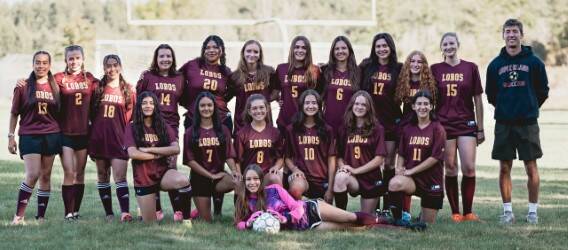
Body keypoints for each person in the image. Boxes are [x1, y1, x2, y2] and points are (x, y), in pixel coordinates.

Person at [16, 45, 98, 220]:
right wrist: (22, 81)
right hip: (64, 133)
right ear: (66, 60)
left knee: (80, 173)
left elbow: (106, 84)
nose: (74, 61)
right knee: (69, 172)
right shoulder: (58, 79)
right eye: (71, 58)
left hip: (84, 133)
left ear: (83, 59)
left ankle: (76, 211)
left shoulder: (90, 79)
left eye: (77, 58)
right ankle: (68, 213)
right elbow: (41, 83)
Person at [486, 19, 549, 225]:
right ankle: (508, 212)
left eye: (515, 31)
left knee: (531, 166)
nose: (511, 35)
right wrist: (506, 108)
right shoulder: (495, 64)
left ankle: (532, 212)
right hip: (504, 122)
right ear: (502, 35)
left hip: (527, 122)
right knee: (504, 167)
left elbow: (542, 91)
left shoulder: (534, 62)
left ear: (521, 35)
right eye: (507, 31)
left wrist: (528, 107)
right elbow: (492, 94)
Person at [431, 32, 485, 222]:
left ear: (458, 45)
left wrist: (480, 127)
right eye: (445, 44)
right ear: (441, 47)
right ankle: (455, 212)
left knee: (469, 167)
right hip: (444, 124)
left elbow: (478, 98)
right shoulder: (435, 69)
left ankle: (468, 212)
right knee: (451, 167)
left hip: (466, 123)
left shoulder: (470, 67)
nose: (448, 47)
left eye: (451, 43)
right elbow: (429, 98)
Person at [234, 164, 380, 231]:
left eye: (255, 179)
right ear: (244, 181)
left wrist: (286, 218)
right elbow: (238, 223)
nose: (252, 183)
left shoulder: (274, 189)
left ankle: (384, 221)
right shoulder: (244, 201)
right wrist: (247, 224)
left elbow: (296, 206)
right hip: (304, 226)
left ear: (261, 179)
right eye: (248, 180)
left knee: (350, 218)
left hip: (310, 209)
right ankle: (370, 224)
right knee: (346, 227)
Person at [179, 35, 232, 215]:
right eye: (208, 47)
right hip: (195, 118)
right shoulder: (192, 65)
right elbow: (177, 83)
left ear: (221, 50)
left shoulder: (226, 72)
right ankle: (201, 198)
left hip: (221, 119)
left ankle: (217, 209)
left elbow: (231, 93)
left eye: (215, 47)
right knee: (198, 155)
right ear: (203, 49)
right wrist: (190, 104)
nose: (211, 50)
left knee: (218, 159)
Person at [9, 51, 61, 225]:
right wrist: (11, 136)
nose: (41, 66)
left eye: (45, 62)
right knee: (32, 174)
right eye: (38, 62)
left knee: (46, 176)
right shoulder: (23, 86)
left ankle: (41, 216)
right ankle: (18, 216)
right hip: (30, 134)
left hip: (51, 134)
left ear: (49, 65)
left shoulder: (56, 87)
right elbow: (14, 113)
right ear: (33, 64)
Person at [124, 91, 192, 224]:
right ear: (139, 107)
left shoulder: (163, 125)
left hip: (162, 173)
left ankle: (186, 220)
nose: (148, 106)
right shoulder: (132, 127)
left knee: (183, 180)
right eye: (144, 103)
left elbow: (175, 149)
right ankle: (144, 210)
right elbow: (133, 153)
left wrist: (151, 150)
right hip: (144, 178)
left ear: (155, 106)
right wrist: (159, 154)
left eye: (151, 103)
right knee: (150, 224)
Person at [136, 44, 185, 221]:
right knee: (150, 166)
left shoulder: (179, 77)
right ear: (156, 59)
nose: (165, 59)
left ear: (173, 59)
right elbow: (139, 101)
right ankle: (155, 209)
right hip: (150, 126)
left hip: (170, 127)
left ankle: (178, 210)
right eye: (162, 56)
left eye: (168, 56)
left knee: (170, 165)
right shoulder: (147, 76)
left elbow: (185, 99)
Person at [89, 54, 136, 222]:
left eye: (115, 65)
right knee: (102, 176)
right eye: (108, 66)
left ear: (120, 67)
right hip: (99, 140)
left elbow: (132, 120)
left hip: (119, 141)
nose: (112, 69)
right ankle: (109, 213)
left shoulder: (129, 90)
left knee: (120, 177)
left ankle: (125, 212)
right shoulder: (97, 88)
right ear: (104, 68)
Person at [388, 90, 446, 224]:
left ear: (431, 106)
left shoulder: (438, 129)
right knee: (395, 183)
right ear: (413, 106)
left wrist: (411, 171)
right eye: (419, 104)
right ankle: (398, 220)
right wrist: (399, 169)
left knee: (425, 224)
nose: (422, 107)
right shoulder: (408, 128)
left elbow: (434, 158)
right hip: (412, 180)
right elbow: (401, 153)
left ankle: (423, 215)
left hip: (431, 181)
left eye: (426, 104)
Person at [359, 33, 403, 211]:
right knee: (373, 163)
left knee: (389, 164)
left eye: (385, 46)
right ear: (373, 48)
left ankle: (389, 205)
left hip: (391, 121)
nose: (381, 49)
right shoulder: (366, 65)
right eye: (378, 46)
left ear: (390, 47)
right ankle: (373, 203)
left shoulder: (398, 68)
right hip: (371, 123)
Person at [183, 91, 239, 222]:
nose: (206, 108)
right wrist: (210, 175)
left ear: (214, 107)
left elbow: (229, 154)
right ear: (197, 108)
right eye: (202, 106)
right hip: (200, 179)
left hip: (219, 177)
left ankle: (240, 217)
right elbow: (189, 160)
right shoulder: (190, 132)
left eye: (209, 105)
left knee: (239, 182)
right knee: (207, 221)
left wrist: (235, 171)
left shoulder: (223, 129)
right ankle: (200, 210)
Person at [394, 51, 438, 216]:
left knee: (425, 166)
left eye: (420, 61)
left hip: (425, 130)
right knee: (405, 167)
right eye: (412, 61)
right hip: (406, 129)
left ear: (424, 65)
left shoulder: (429, 83)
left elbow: (434, 107)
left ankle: (426, 206)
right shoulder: (403, 82)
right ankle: (405, 211)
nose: (416, 64)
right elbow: (395, 104)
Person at [334, 91, 387, 214]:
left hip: (370, 178)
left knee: (365, 220)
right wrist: (343, 168)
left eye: (363, 105)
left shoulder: (377, 128)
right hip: (352, 178)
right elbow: (339, 155)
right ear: (352, 105)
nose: (359, 107)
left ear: (369, 108)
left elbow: (379, 159)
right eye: (356, 104)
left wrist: (356, 170)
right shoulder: (344, 128)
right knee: (340, 178)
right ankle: (341, 216)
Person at [284, 90, 336, 203]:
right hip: (302, 177)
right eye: (307, 103)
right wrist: (294, 169)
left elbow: (331, 159)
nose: (310, 106)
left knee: (322, 218)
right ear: (301, 105)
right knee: (296, 189)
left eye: (314, 103)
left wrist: (331, 188)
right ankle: (310, 205)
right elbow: (287, 157)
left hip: (322, 180)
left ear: (319, 105)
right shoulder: (292, 129)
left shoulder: (327, 130)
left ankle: (312, 205)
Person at [228, 40, 278, 135]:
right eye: (249, 51)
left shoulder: (269, 72)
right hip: (242, 124)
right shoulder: (235, 76)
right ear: (243, 53)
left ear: (260, 55)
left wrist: (267, 100)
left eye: (256, 52)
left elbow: (276, 90)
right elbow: (227, 96)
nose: (252, 54)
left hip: (264, 121)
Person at [273, 36, 320, 133]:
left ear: (308, 51)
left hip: (306, 121)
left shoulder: (314, 70)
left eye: (304, 48)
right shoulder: (281, 68)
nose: (300, 50)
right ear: (292, 49)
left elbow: (320, 95)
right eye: (297, 47)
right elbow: (274, 90)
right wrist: (279, 99)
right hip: (285, 120)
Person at [234, 94, 284, 185]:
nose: (258, 111)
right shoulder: (242, 134)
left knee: (276, 177)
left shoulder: (275, 132)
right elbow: (237, 160)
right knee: (238, 183)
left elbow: (281, 157)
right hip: (249, 177)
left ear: (267, 109)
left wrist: (276, 167)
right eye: (254, 108)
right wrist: (239, 176)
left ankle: (276, 199)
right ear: (249, 111)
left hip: (266, 176)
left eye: (261, 107)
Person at [320, 36, 360, 133]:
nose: (340, 51)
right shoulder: (325, 70)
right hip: (328, 122)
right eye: (337, 49)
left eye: (343, 48)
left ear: (349, 50)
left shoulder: (358, 72)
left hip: (350, 123)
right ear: (332, 52)